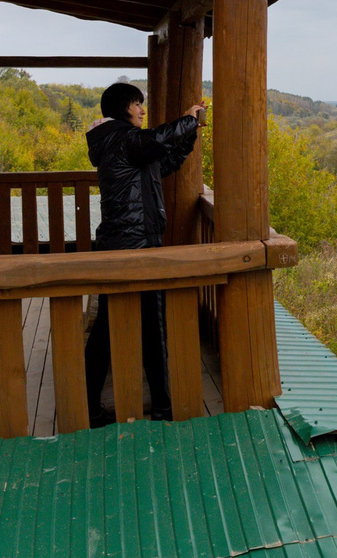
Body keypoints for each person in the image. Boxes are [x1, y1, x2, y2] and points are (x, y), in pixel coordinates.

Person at [83, 82, 203, 426]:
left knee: (110, 329)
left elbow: (164, 161)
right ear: (124, 108)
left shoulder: (120, 144)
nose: (142, 109)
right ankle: (164, 408)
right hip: (133, 245)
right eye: (138, 104)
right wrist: (188, 121)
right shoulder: (123, 139)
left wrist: (189, 136)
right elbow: (154, 139)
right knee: (153, 326)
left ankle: (91, 406)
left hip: (125, 242)